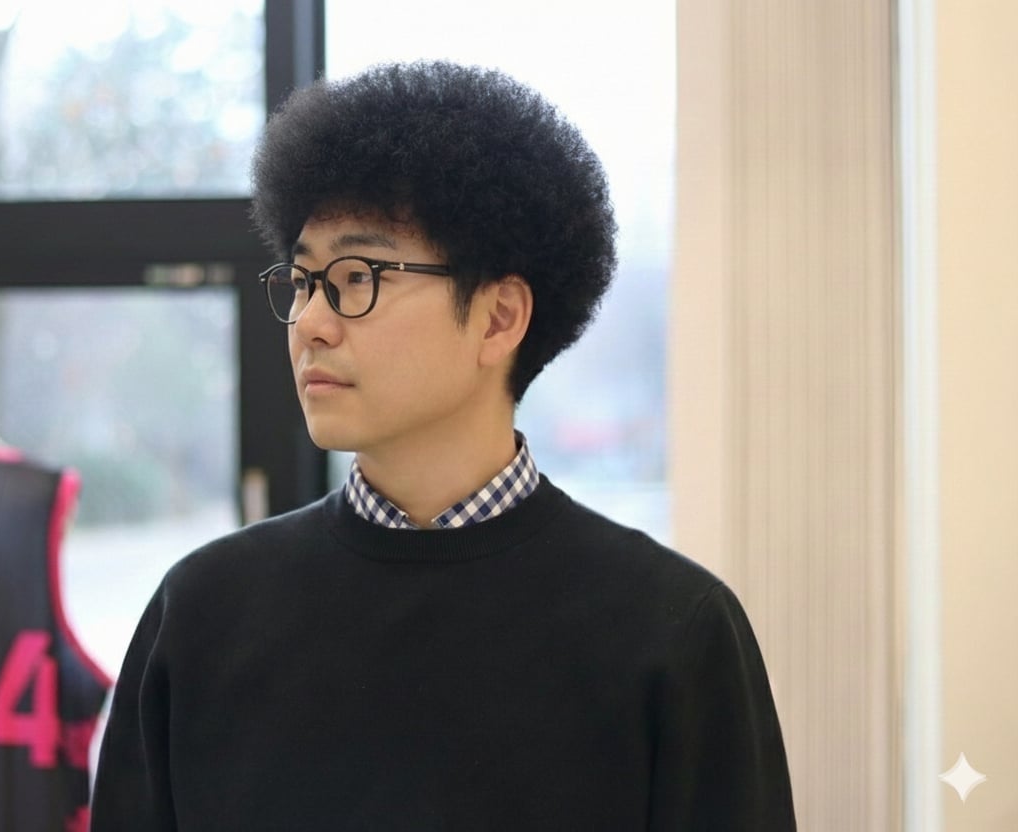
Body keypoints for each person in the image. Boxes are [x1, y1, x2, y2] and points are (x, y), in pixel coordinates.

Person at [90, 60, 796, 830]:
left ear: (499, 318)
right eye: (302, 281)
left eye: (356, 277)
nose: (311, 324)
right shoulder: (202, 614)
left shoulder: (671, 632)